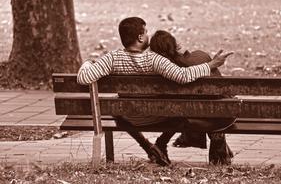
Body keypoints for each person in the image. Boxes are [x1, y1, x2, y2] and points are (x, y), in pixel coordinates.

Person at [77, 17, 233, 166]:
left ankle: (150, 147)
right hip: (156, 115)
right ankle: (163, 144)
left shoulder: (111, 58)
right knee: (180, 109)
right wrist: (211, 65)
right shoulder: (154, 60)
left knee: (116, 108)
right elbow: (183, 76)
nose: (148, 35)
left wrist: (87, 64)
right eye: (146, 32)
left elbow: (84, 78)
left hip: (128, 116)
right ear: (140, 37)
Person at [149, 30, 234, 165]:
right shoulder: (200, 57)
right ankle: (219, 154)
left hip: (183, 115)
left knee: (188, 109)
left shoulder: (163, 69)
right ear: (175, 46)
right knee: (212, 107)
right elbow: (222, 93)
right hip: (217, 115)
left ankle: (162, 143)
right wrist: (212, 63)